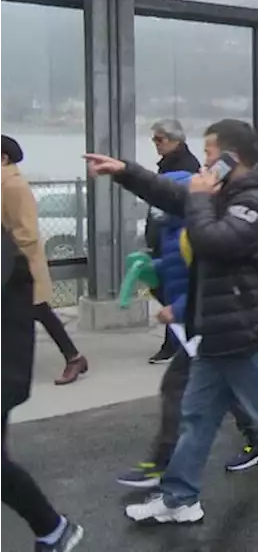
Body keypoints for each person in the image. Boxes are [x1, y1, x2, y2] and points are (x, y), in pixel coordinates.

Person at [85, 119, 258, 529]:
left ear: (230, 158)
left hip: (247, 329)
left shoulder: (256, 200)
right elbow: (175, 195)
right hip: (220, 328)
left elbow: (216, 240)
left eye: (208, 154)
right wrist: (126, 172)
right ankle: (180, 497)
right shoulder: (226, 192)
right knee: (197, 416)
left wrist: (201, 199)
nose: (203, 163)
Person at [115, 169, 258, 486]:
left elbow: (215, 281)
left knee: (179, 389)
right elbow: (178, 270)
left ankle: (165, 466)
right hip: (201, 326)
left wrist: (179, 309)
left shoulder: (199, 231)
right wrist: (150, 267)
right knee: (228, 388)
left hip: (207, 322)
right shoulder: (176, 231)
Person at [0, 135, 86, 551]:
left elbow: (26, 233)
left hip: (17, 282)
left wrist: (26, 266)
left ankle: (53, 528)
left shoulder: (12, 184)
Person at [0, 136, 88, 386]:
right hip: (13, 267)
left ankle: (74, 357)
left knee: (40, 310)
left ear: (3, 158)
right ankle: (74, 357)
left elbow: (26, 232)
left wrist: (9, 255)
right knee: (34, 312)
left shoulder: (13, 186)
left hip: (18, 267)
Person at [145, 119, 203, 364]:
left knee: (176, 289)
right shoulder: (169, 165)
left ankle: (177, 342)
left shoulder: (184, 168)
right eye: (154, 140)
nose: (156, 145)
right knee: (168, 288)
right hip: (166, 236)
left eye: (160, 139)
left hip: (177, 239)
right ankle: (178, 341)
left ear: (175, 140)